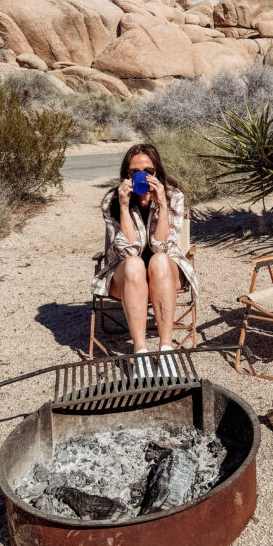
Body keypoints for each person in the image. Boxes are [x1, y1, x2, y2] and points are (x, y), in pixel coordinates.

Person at [91, 143, 197, 378]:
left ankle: (166, 350)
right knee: (134, 263)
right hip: (127, 274)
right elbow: (130, 249)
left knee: (158, 259)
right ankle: (140, 354)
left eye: (148, 171)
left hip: (165, 272)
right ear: (126, 175)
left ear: (157, 172)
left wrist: (162, 203)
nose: (143, 176)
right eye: (135, 172)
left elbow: (164, 246)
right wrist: (125, 207)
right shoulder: (112, 200)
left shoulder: (173, 196)